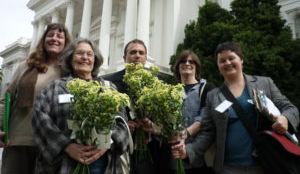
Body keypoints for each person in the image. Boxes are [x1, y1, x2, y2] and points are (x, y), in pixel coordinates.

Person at [171, 42, 299, 174]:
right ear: (218, 66)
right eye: (222, 61)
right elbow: (208, 132)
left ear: (241, 60)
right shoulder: (213, 96)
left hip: (265, 164)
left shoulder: (264, 83)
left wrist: (285, 118)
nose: (227, 63)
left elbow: (290, 108)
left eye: (231, 58)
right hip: (228, 167)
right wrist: (189, 151)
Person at [31, 37, 130, 174]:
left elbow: (122, 124)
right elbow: (39, 118)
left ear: (95, 60)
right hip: (62, 164)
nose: (85, 57)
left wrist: (107, 143)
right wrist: (65, 146)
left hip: (103, 164)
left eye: (89, 54)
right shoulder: (55, 87)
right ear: (70, 58)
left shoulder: (109, 88)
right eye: (79, 53)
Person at [0, 23, 71, 174]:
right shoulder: (26, 65)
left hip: (52, 142)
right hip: (20, 138)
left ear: (66, 43)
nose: (54, 39)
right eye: (50, 35)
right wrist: (0, 127)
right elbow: (6, 98)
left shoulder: (69, 71)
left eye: (60, 36)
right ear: (43, 40)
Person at [104, 39, 163, 174]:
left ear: (145, 58)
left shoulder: (155, 84)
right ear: (125, 58)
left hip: (147, 148)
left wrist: (150, 126)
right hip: (119, 149)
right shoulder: (110, 83)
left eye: (141, 53)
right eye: (133, 52)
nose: (137, 55)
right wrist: (122, 126)